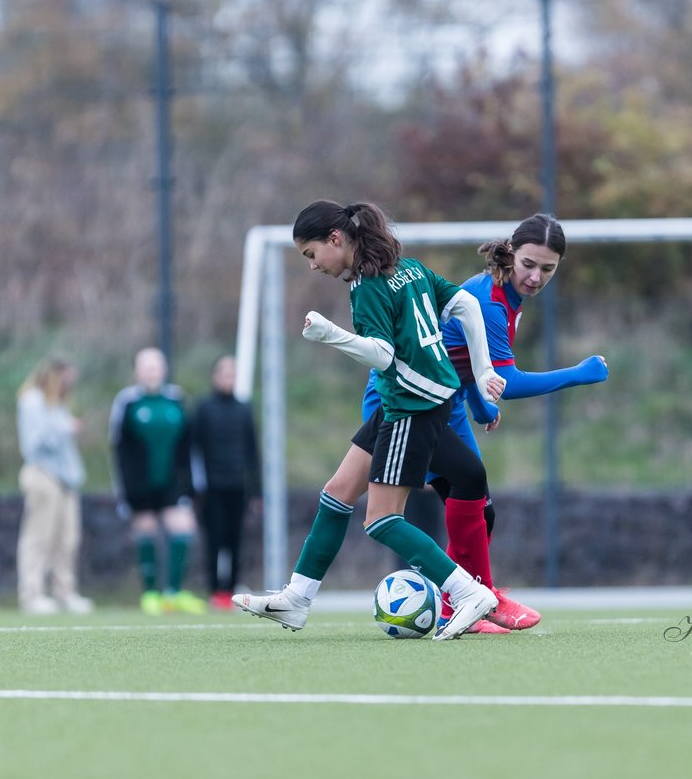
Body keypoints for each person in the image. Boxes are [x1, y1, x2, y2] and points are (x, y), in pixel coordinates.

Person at [231, 199, 505, 641]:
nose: (313, 265)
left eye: (311, 253)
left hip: (410, 406)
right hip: (421, 400)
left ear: (336, 239)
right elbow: (465, 306)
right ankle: (298, 598)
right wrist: (485, 368)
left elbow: (382, 354)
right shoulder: (410, 267)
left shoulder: (368, 286)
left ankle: (467, 592)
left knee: (381, 519)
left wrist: (330, 334)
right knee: (337, 493)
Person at [360, 213, 609, 633]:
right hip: (405, 401)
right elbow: (505, 381)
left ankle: (464, 600)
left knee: (479, 505)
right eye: (529, 264)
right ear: (512, 254)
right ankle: (476, 597)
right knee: (427, 496)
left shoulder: (508, 299)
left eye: (547, 269)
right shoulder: (491, 300)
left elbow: (473, 361)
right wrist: (577, 373)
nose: (535, 277)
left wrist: (480, 408)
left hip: (444, 403)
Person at [109, 347, 205, 615]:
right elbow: (117, 447)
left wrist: (191, 484)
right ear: (137, 371)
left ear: (163, 369)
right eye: (146, 366)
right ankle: (150, 594)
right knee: (146, 530)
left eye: (156, 366)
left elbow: (188, 447)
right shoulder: (127, 402)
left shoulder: (176, 399)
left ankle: (173, 593)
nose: (151, 371)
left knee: (183, 526)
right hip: (138, 485)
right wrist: (124, 490)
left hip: (171, 483)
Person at [15, 355, 93, 615]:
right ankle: (32, 594)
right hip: (42, 475)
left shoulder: (58, 403)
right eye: (66, 377)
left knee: (67, 538)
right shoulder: (33, 401)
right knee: (39, 537)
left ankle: (65, 592)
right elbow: (34, 442)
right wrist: (63, 428)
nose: (69, 384)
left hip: (65, 480)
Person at [192, 355, 261, 610]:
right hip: (210, 490)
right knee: (214, 540)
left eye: (232, 374)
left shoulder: (243, 409)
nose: (228, 378)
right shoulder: (203, 409)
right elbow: (192, 449)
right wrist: (192, 488)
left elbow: (253, 452)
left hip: (237, 488)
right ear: (215, 376)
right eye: (224, 373)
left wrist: (256, 491)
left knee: (235, 541)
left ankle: (230, 591)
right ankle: (214, 590)